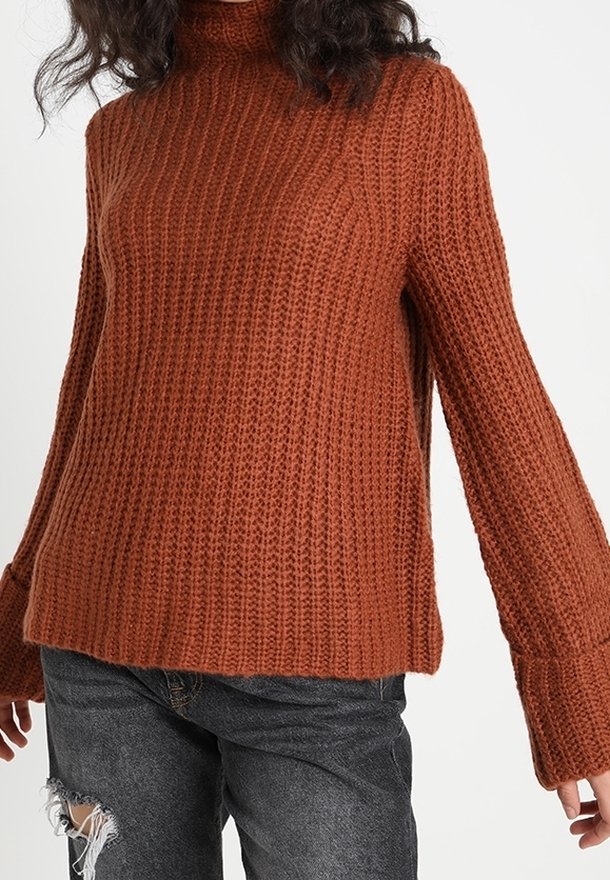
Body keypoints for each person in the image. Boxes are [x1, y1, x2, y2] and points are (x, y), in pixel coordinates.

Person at [1, 0, 609, 876]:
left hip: (314, 672)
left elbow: (499, 398)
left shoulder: (406, 108)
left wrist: (583, 681)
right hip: (99, 656)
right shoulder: (122, 131)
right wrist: (17, 614)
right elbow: (93, 394)